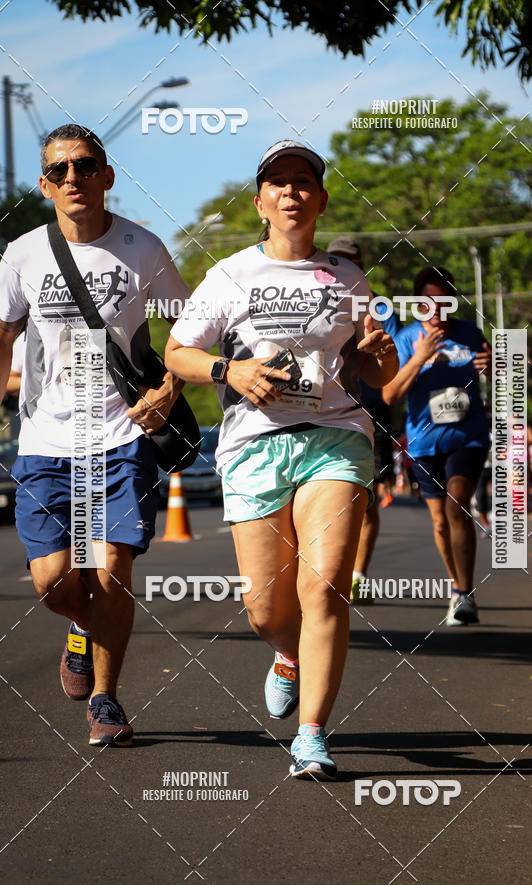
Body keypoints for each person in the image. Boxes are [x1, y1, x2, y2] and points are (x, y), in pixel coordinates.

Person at [166, 139, 398, 780]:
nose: (292, 190)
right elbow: (178, 352)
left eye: (304, 181)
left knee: (323, 586)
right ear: (261, 203)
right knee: (266, 610)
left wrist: (379, 355)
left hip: (335, 436)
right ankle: (287, 655)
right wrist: (229, 370)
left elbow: (376, 374)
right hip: (253, 445)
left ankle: (312, 734)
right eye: (278, 182)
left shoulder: (347, 278)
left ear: (321, 201)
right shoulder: (230, 274)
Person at [0, 124, 189, 745]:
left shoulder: (143, 248)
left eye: (84, 166)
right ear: (44, 185)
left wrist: (168, 390)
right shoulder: (23, 253)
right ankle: (81, 625)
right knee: (54, 580)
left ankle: (106, 700)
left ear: (107, 175)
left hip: (121, 433)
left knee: (110, 571)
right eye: (59, 170)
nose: (73, 178)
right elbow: (2, 336)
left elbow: (189, 331)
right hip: (45, 439)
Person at [381, 265, 491, 626]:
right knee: (440, 521)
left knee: (458, 502)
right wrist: (420, 356)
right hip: (424, 443)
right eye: (429, 302)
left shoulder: (469, 333)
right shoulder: (405, 338)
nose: (437, 309)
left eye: (444, 301)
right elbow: (390, 394)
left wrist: (493, 366)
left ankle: (465, 592)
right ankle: (456, 586)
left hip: (468, 436)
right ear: (417, 304)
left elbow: (501, 373)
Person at [325, 237, 395, 605]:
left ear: (361, 265)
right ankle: (325, 576)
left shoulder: (378, 304)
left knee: (365, 502)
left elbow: (390, 362)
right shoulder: (313, 296)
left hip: (371, 412)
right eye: (336, 259)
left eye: (350, 260)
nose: (343, 266)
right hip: (326, 413)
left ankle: (359, 578)